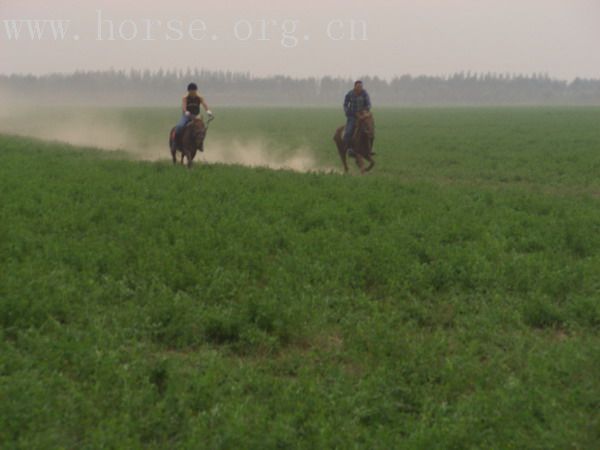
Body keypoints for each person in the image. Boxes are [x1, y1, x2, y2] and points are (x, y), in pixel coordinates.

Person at [172, 83, 213, 150]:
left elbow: (204, 104)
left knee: (202, 129)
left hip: (196, 116)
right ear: (188, 91)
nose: (192, 92)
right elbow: (183, 106)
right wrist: (186, 111)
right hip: (187, 116)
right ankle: (175, 143)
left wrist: (208, 111)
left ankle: (200, 144)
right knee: (179, 126)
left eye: (194, 91)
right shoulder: (185, 98)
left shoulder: (199, 98)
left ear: (196, 91)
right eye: (191, 91)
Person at [343, 80, 371, 155]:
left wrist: (365, 112)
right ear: (355, 87)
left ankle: (369, 148)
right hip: (353, 116)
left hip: (363, 116)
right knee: (348, 131)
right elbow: (345, 105)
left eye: (361, 86)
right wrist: (348, 112)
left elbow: (368, 104)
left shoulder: (364, 93)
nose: (360, 88)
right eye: (358, 86)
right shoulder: (350, 94)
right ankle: (349, 148)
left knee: (369, 130)